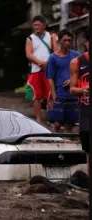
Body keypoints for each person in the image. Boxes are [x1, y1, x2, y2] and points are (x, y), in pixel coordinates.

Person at [25, 15, 58, 123]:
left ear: (44, 25)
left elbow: (56, 52)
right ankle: (38, 120)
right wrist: (39, 62)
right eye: (34, 25)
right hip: (35, 70)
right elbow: (29, 54)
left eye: (38, 25)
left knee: (50, 95)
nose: (36, 27)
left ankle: (51, 118)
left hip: (49, 70)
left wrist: (47, 63)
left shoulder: (51, 36)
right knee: (36, 96)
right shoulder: (30, 38)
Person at [46, 30, 80, 133]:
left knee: (69, 124)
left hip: (72, 95)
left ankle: (69, 146)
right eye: (65, 40)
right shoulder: (53, 58)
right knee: (56, 124)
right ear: (59, 41)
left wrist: (73, 81)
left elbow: (82, 73)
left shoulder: (76, 56)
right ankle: (54, 145)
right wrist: (53, 95)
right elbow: (50, 77)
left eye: (69, 40)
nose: (67, 43)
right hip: (59, 95)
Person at [70, 28, 89, 174]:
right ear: (86, 43)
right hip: (86, 110)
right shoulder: (77, 62)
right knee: (88, 149)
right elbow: (72, 89)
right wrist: (83, 90)